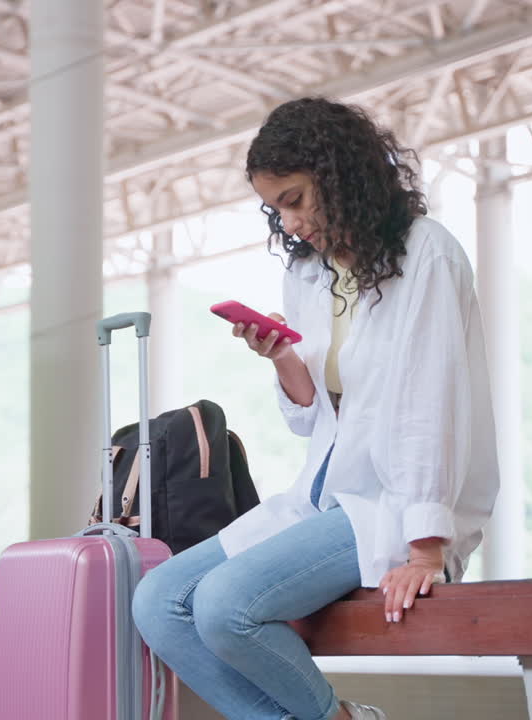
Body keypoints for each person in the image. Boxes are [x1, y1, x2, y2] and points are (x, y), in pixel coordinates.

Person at [131, 97, 500, 720]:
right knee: (157, 603)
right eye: (277, 208)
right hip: (327, 493)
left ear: (341, 174)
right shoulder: (310, 275)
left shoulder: (426, 254)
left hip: (396, 501)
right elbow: (315, 415)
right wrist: (282, 359)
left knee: (225, 608)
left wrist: (426, 549)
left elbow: (429, 405)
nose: (292, 222)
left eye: (298, 198)